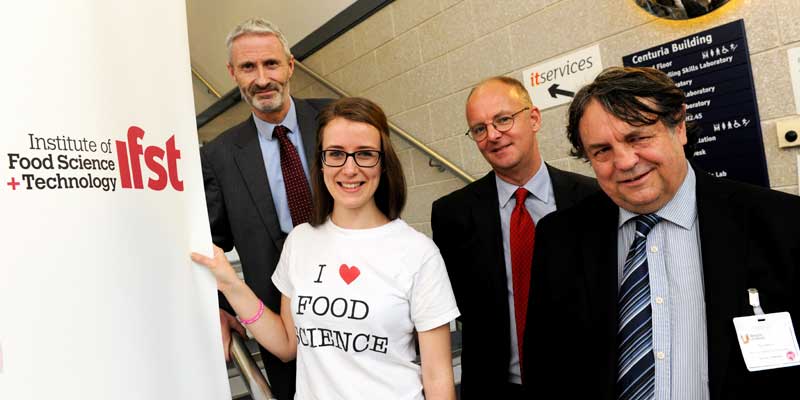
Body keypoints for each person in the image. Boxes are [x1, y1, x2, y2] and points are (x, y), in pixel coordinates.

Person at [523, 66, 800, 399]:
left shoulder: (782, 223)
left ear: (679, 127)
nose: (624, 161)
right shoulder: (560, 238)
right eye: (602, 150)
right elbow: (546, 368)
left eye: (637, 137)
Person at [194, 97, 461, 400]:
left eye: (364, 154)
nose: (349, 169)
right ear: (320, 162)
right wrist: (230, 284)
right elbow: (286, 345)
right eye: (335, 154)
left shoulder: (419, 253)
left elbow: (438, 378)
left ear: (384, 163)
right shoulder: (300, 241)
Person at [430, 76, 597, 398]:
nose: (493, 135)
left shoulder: (590, 199)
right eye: (479, 129)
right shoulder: (453, 214)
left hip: (582, 384)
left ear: (533, 118)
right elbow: (457, 303)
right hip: (496, 388)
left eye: (503, 119)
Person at [200, 17, 332, 399]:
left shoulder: (337, 118)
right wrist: (222, 307)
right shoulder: (219, 155)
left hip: (354, 293)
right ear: (232, 73)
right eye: (248, 67)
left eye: (271, 64)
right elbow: (214, 240)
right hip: (276, 315)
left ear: (290, 65)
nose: (261, 79)